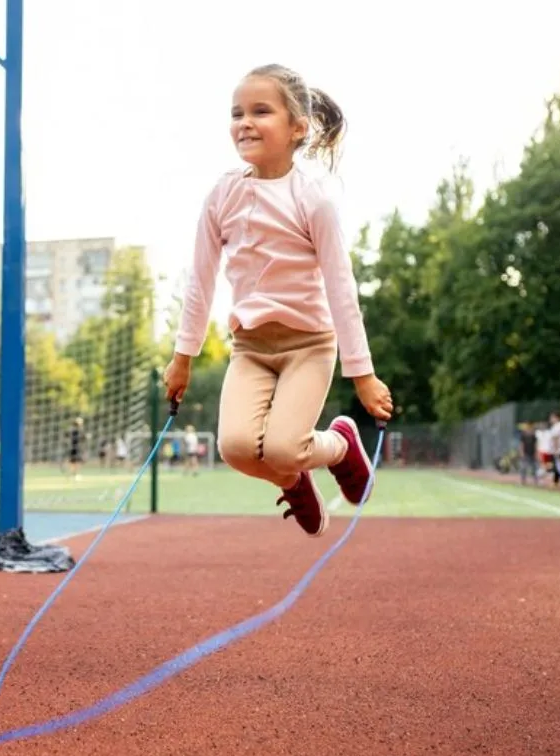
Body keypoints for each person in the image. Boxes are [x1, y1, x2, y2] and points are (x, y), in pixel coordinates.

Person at [163, 63, 393, 538]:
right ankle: (296, 481)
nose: (244, 122)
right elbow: (200, 282)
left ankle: (342, 446)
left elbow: (341, 288)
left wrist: (363, 375)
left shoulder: (313, 200)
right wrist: (181, 358)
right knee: (237, 448)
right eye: (237, 113)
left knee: (285, 448)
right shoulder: (221, 196)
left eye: (260, 111)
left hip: (308, 345)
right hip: (250, 349)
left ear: (297, 128)